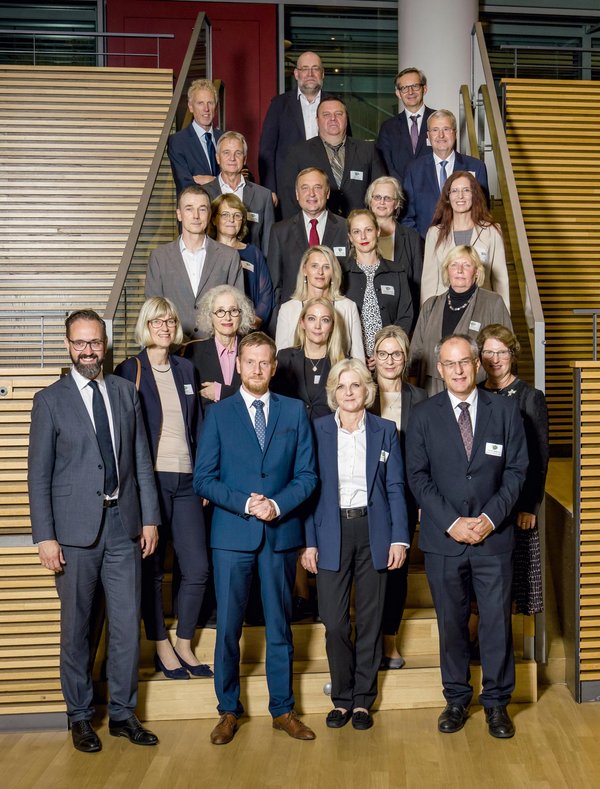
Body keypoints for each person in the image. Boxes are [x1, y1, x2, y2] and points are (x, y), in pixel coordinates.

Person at [27, 309, 160, 753]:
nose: (88, 350)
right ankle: (81, 716)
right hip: (73, 535)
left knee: (125, 626)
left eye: (95, 342)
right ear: (68, 346)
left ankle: (123, 714)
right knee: (77, 629)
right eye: (80, 343)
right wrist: (45, 537)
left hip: (124, 528)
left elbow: (141, 458)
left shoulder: (125, 393)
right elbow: (38, 476)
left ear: (105, 344)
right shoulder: (49, 401)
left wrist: (150, 518)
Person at [194, 332, 318, 745]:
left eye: (265, 363)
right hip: (232, 536)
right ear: (240, 364)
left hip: (280, 535)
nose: (258, 369)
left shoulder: (295, 411)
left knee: (280, 627)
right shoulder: (219, 413)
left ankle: (282, 710)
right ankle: (228, 711)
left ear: (274, 366)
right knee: (228, 627)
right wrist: (247, 504)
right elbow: (203, 479)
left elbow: (308, 476)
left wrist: (277, 506)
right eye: (250, 362)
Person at [406, 334, 528, 739]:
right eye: (449, 363)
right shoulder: (423, 415)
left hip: (494, 539)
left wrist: (491, 518)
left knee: (495, 624)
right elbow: (418, 478)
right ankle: (457, 699)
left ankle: (496, 704)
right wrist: (452, 522)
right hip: (445, 541)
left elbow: (516, 471)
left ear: (476, 364)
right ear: (439, 370)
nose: (458, 370)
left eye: (464, 362)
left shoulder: (507, 411)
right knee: (452, 624)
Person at [301, 358, 409, 730]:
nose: (349, 393)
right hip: (331, 532)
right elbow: (309, 491)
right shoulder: (316, 431)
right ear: (333, 393)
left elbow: (395, 487)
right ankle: (341, 698)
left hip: (373, 531)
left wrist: (399, 538)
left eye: (356, 385)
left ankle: (362, 700)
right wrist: (309, 542)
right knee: (334, 623)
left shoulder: (385, 430)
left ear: (367, 390)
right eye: (342, 387)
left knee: (370, 620)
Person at [114, 297, 211, 681]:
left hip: (187, 482)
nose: (165, 327)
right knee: (151, 570)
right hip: (149, 482)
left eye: (170, 320)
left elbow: (200, 427)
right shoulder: (129, 369)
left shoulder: (187, 368)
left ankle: (184, 641)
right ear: (146, 325)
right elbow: (123, 436)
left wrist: (203, 476)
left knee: (198, 568)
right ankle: (160, 645)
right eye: (157, 321)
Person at [477, 323, 549, 615]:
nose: (495, 359)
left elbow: (539, 457)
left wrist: (530, 506)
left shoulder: (529, 397)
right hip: (481, 502)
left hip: (516, 503)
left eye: (501, 352)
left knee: (507, 587)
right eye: (488, 352)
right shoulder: (475, 392)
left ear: (513, 354)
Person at [370, 326, 427, 668]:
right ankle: (367, 638)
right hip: (367, 494)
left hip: (405, 495)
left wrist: (421, 499)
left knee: (397, 570)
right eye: (383, 353)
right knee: (368, 570)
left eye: (396, 354)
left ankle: (389, 641)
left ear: (405, 359)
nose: (389, 360)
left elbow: (427, 454)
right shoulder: (360, 393)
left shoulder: (420, 399)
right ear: (372, 359)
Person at [409, 246, 512, 395]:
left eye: (467, 265)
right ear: (447, 271)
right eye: (454, 265)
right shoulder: (430, 306)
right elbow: (415, 354)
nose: (459, 270)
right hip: (432, 391)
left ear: (476, 271)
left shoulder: (493, 303)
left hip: (477, 391)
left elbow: (507, 354)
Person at [144, 185, 243, 339]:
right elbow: (153, 310)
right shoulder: (159, 257)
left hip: (215, 347)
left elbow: (237, 307)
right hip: (173, 348)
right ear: (179, 214)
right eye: (189, 209)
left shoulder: (229, 256)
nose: (196, 216)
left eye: (202, 209)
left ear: (209, 214)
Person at [279, 95, 386, 219]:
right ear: (317, 120)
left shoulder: (368, 150)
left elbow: (381, 191)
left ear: (346, 119)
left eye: (339, 114)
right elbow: (289, 199)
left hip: (359, 230)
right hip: (317, 231)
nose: (333, 119)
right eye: (326, 115)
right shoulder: (298, 153)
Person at [267, 168, 349, 320]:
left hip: (336, 317)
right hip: (293, 318)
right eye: (305, 188)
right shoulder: (280, 231)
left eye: (317, 188)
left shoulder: (346, 228)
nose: (311, 194)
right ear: (297, 194)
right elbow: (275, 285)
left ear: (327, 193)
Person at [422, 171, 509, 309]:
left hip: (482, 309)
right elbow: (429, 281)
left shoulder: (492, 231)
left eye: (466, 190)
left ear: (474, 195)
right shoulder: (434, 234)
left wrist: (504, 316)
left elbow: (500, 280)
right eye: (455, 191)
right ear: (448, 197)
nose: (460, 196)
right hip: (444, 309)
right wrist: (426, 316)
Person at [403, 110, 489, 239]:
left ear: (455, 133)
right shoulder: (414, 169)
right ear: (428, 135)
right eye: (435, 130)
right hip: (425, 247)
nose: (441, 135)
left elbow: (483, 211)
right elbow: (407, 216)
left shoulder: (476, 167)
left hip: (466, 246)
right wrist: (421, 245)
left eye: (446, 129)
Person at [342, 208, 413, 358]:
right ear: (350, 237)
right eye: (356, 232)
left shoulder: (397, 272)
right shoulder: (341, 274)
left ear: (378, 231)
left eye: (368, 230)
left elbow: (405, 316)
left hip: (390, 357)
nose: (363, 236)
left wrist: (385, 352)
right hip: (351, 358)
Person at [275, 245, 364, 361]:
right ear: (304, 270)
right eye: (314, 266)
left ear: (333, 272)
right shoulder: (288, 309)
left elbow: (358, 358)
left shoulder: (348, 307)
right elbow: (280, 358)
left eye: (326, 267)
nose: (320, 272)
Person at [259, 51, 324, 203]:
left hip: (326, 187)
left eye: (315, 68)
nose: (310, 73)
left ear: (322, 73)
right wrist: (270, 190)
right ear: (296, 74)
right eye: (304, 69)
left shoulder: (335, 105)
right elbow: (266, 150)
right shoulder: (278, 104)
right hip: (287, 190)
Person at [181, 284, 255, 413]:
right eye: (220, 311)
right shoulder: (193, 352)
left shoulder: (253, 350)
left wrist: (221, 391)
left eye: (233, 310)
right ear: (210, 316)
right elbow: (190, 401)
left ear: (241, 314)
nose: (227, 317)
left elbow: (261, 395)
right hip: (209, 429)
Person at [273, 296, 346, 421]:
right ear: (302, 323)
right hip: (292, 434)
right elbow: (275, 403)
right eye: (312, 319)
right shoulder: (285, 358)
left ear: (332, 326)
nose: (317, 326)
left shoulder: (343, 364)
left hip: (328, 435)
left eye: (325, 320)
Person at [208, 192, 273, 328]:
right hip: (214, 326)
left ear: (242, 221)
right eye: (225, 214)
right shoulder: (206, 252)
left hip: (248, 326)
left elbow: (265, 292)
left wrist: (255, 319)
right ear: (214, 219)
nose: (231, 220)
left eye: (237, 215)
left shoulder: (253, 252)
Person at [203, 132, 274, 255]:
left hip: (251, 268)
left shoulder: (263, 196)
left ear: (245, 159)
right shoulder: (204, 194)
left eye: (238, 153)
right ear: (217, 158)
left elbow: (268, 245)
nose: (232, 158)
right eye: (226, 153)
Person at [366, 175, 424, 325]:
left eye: (388, 198)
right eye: (377, 197)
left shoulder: (412, 238)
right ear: (370, 201)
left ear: (397, 203)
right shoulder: (358, 234)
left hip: (401, 318)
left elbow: (417, 283)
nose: (382, 202)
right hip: (365, 314)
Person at [376, 67, 435, 182]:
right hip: (400, 194)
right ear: (398, 93)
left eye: (415, 86)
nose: (410, 92)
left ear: (425, 89)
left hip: (433, 193)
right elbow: (385, 164)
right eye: (404, 88)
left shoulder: (438, 120)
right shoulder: (388, 127)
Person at [168, 79, 222, 193]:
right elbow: (185, 185)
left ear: (215, 107)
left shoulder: (225, 139)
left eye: (210, 103)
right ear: (191, 107)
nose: (206, 109)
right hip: (195, 209)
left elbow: (241, 181)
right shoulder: (178, 142)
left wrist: (211, 180)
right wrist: (223, 184)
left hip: (225, 210)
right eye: (200, 103)